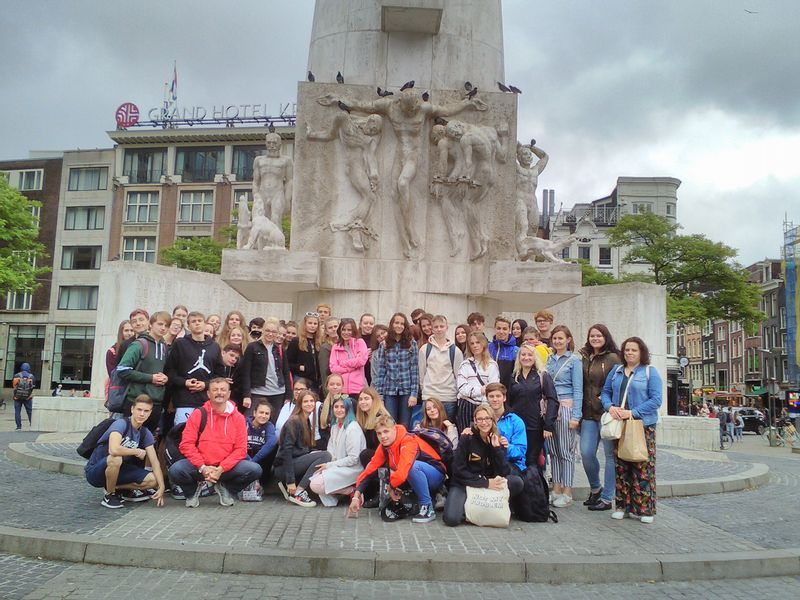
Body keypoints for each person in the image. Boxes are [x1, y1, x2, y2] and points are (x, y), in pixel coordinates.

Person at [168, 378, 261, 507]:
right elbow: (186, 445)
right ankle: (191, 492)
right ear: (208, 394)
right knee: (175, 470)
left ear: (228, 394)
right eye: (215, 390)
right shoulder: (198, 414)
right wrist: (203, 467)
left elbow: (241, 450)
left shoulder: (239, 418)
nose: (219, 393)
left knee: (254, 469)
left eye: (223, 390)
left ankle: (225, 488)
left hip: (225, 468)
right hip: (200, 466)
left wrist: (221, 468)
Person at [601, 337, 663, 524]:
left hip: (642, 425)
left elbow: (656, 400)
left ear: (641, 352)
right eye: (627, 350)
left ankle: (645, 509)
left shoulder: (650, 372)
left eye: (633, 350)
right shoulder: (616, 371)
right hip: (620, 424)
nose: (629, 353)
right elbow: (605, 392)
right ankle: (622, 506)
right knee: (621, 466)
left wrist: (633, 413)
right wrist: (610, 407)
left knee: (642, 467)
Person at [350, 414, 445, 523]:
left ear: (394, 429)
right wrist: (356, 497)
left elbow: (404, 470)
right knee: (394, 474)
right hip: (413, 477)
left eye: (386, 431)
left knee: (411, 468)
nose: (383, 436)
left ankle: (428, 508)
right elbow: (370, 469)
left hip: (435, 474)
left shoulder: (408, 440)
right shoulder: (384, 447)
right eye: (379, 433)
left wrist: (391, 486)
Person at [443, 403, 523, 527]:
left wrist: (497, 449)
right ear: (475, 421)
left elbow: (504, 472)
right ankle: (469, 507)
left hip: (489, 484)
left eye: (487, 418)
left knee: (517, 482)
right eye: (480, 419)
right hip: (466, 483)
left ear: (492, 420)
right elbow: (458, 470)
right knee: (451, 519)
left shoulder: (498, 439)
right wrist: (485, 483)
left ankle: (489, 506)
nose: (484, 422)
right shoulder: (467, 438)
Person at [84, 394, 166, 508]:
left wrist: (161, 486)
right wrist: (135, 451)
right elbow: (114, 450)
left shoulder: (145, 433)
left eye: (146, 411)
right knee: (116, 458)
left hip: (120, 470)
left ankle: (114, 487)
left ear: (150, 413)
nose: (142, 414)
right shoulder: (121, 424)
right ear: (132, 409)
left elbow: (155, 462)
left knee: (153, 480)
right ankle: (110, 495)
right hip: (96, 470)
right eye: (139, 409)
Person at [578, 324, 621, 512]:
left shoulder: (613, 358)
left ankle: (607, 497)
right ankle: (596, 488)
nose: (595, 338)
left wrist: (609, 403)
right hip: (588, 413)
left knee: (610, 456)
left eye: (599, 335)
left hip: (606, 414)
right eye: (592, 335)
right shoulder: (584, 357)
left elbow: (617, 384)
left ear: (606, 337)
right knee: (586, 453)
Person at [164, 311, 225, 425]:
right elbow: (170, 371)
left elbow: (220, 376)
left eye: (199, 321)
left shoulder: (214, 347)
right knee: (182, 434)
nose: (197, 323)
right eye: (193, 321)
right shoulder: (180, 344)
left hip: (207, 401)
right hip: (184, 400)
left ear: (204, 323)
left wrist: (205, 385)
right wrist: (184, 382)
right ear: (188, 325)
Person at [545, 325, 583, 508]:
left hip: (566, 408)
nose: (557, 341)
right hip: (551, 408)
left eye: (561, 338)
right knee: (554, 451)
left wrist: (576, 416)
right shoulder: (549, 359)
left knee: (566, 452)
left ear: (568, 340)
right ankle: (557, 487)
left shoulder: (574, 361)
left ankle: (568, 490)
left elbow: (578, 390)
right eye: (555, 338)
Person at [274, 390, 332, 508]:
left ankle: (298, 489)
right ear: (299, 403)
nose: (309, 404)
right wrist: (290, 481)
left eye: (311, 401)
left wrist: (311, 453)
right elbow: (287, 451)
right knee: (325, 456)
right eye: (305, 401)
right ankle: (298, 492)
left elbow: (301, 449)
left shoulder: (306, 420)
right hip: (283, 468)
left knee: (321, 454)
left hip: (295, 462)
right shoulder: (294, 421)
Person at [117, 311, 171, 432]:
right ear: (150, 324)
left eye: (166, 325)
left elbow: (163, 371)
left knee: (148, 441)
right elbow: (122, 370)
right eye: (160, 324)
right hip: (136, 401)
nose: (163, 328)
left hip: (156, 403)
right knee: (130, 441)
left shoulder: (164, 346)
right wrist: (151, 378)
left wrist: (166, 378)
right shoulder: (139, 344)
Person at [508, 342, 558, 467]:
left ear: (535, 357)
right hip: (517, 426)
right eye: (523, 355)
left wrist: (548, 425)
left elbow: (552, 400)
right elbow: (508, 400)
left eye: (530, 355)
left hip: (535, 426)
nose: (526, 358)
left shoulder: (542, 376)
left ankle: (535, 485)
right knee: (518, 458)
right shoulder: (514, 377)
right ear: (519, 357)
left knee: (532, 460)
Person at [309, 396, 366, 506]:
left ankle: (351, 490)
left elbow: (354, 459)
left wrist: (330, 466)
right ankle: (338, 494)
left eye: (342, 407)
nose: (339, 410)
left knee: (316, 485)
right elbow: (331, 449)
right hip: (338, 465)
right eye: (336, 407)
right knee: (314, 473)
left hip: (352, 468)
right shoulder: (335, 427)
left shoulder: (352, 428)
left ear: (348, 409)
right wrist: (326, 463)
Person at [240, 317, 292, 423]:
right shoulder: (252, 347)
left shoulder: (280, 349)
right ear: (263, 330)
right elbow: (245, 372)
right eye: (267, 330)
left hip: (277, 393)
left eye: (273, 332)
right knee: (249, 422)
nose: (270, 334)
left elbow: (286, 372)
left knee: (273, 424)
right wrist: (246, 395)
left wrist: (288, 395)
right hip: (257, 392)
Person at [372, 312, 419, 427]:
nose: (399, 326)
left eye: (402, 324)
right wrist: (380, 396)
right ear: (392, 325)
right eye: (396, 323)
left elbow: (414, 371)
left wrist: (414, 394)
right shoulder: (384, 345)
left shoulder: (411, 344)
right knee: (389, 424)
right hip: (389, 391)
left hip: (406, 391)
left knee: (404, 425)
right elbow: (381, 372)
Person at [418, 315, 464, 423]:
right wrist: (425, 391)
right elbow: (421, 373)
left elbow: (458, 375)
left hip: (448, 398)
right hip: (429, 396)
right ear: (432, 329)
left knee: (448, 430)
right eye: (436, 327)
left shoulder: (455, 351)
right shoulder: (424, 350)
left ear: (446, 327)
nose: (439, 329)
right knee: (428, 431)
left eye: (441, 326)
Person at [455, 332, 500, 432]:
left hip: (485, 405)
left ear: (483, 344)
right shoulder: (464, 365)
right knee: (466, 435)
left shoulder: (492, 365)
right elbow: (462, 388)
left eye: (478, 342)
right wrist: (480, 390)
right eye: (472, 343)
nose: (475, 345)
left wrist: (484, 403)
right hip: (466, 405)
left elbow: (492, 388)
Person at [484, 383, 527, 474]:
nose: (495, 399)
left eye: (498, 396)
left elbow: (520, 451)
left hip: (512, 464)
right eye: (491, 396)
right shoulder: (482, 419)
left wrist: (507, 446)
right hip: (488, 462)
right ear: (487, 398)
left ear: (504, 398)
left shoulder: (516, 421)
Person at [328, 317, 369, 395]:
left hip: (358, 389)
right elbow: (333, 368)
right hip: (341, 389)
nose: (346, 332)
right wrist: (351, 367)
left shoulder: (360, 342)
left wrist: (343, 363)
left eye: (349, 330)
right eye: (343, 330)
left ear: (353, 331)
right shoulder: (335, 347)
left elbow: (361, 361)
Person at [286, 312, 322, 394]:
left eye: (315, 324)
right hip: (301, 379)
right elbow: (287, 362)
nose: (312, 326)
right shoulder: (296, 341)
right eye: (310, 323)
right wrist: (299, 367)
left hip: (315, 381)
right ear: (305, 324)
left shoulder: (319, 342)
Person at [246, 401, 278, 487]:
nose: (263, 416)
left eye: (267, 413)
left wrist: (253, 462)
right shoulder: (244, 423)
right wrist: (250, 462)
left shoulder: (269, 426)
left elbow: (271, 443)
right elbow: (238, 445)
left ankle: (263, 482)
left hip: (259, 461)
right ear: (254, 413)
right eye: (261, 412)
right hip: (244, 458)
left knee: (274, 447)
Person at [488, 316, 519, 389]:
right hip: (488, 393)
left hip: (507, 393)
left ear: (509, 330)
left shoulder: (516, 351)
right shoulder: (487, 348)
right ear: (494, 329)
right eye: (498, 328)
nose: (501, 332)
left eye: (504, 329)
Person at [318, 373, 346, 449]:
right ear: (327, 386)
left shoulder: (349, 403)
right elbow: (322, 430)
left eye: (338, 384)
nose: (335, 387)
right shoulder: (322, 407)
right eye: (332, 384)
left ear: (342, 386)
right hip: (328, 442)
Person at [12, 362, 36, 431]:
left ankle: (18, 427)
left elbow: (14, 386)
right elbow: (32, 387)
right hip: (28, 398)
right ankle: (32, 425)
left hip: (17, 397)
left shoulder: (16, 375)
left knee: (17, 412)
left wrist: (16, 394)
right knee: (30, 412)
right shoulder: (31, 376)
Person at [319, 316, 340, 386]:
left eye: (335, 326)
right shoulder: (325, 347)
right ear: (326, 331)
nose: (334, 329)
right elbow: (324, 372)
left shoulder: (346, 344)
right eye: (330, 328)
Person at [359, 313, 376, 383]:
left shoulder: (377, 338)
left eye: (371, 323)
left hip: (374, 374)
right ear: (360, 324)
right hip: (360, 374)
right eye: (365, 323)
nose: (368, 325)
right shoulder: (355, 339)